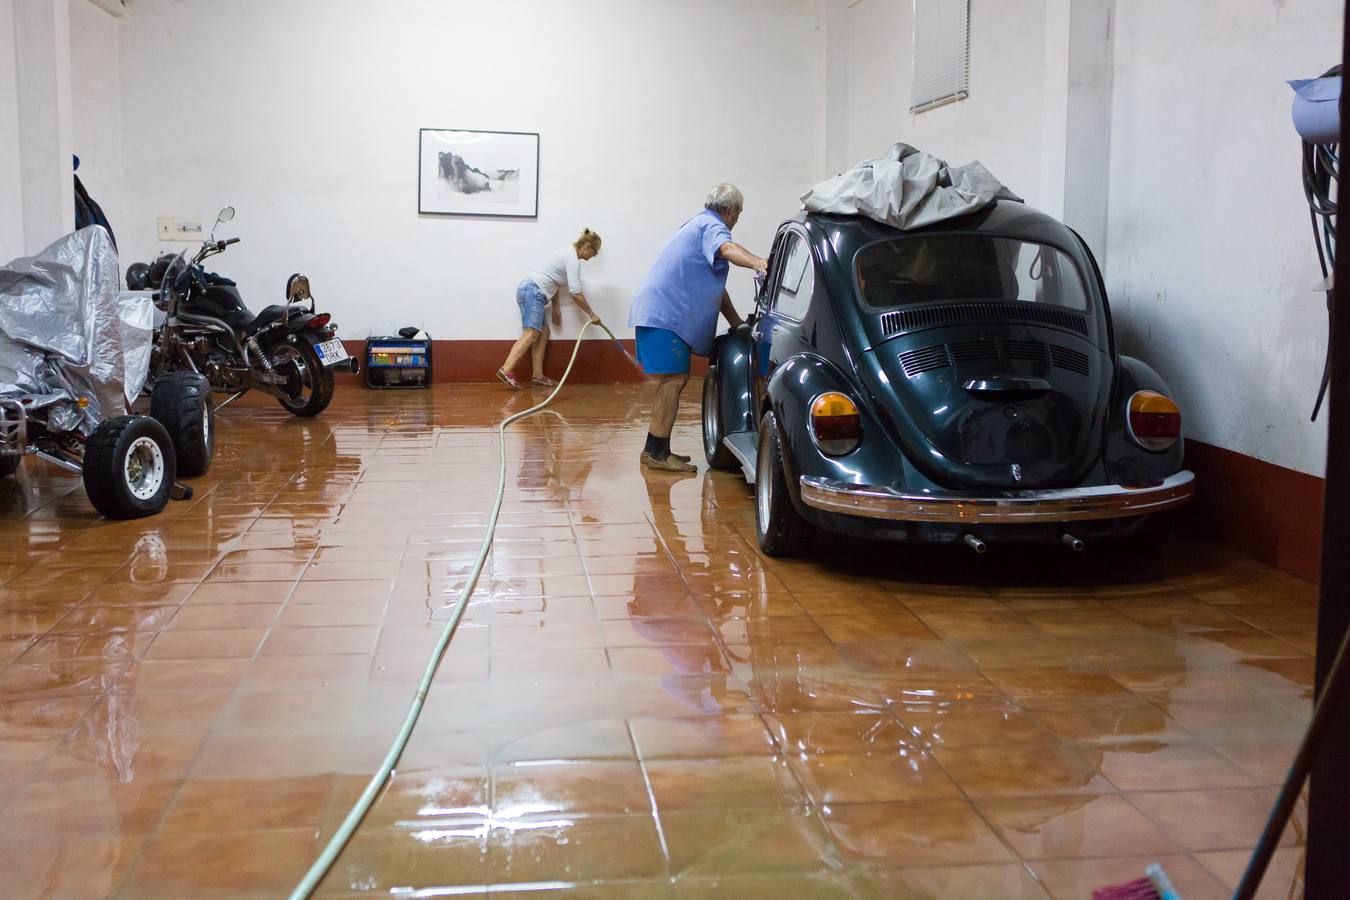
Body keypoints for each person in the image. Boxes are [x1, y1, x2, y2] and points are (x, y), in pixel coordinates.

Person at [628, 184, 767, 472]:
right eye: (739, 213)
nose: (737, 219)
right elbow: (727, 249)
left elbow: (715, 291)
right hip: (664, 315)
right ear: (731, 211)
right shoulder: (711, 227)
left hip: (658, 312)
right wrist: (756, 262)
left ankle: (655, 449)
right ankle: (656, 453)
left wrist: (737, 323)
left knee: (672, 380)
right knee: (674, 380)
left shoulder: (697, 225)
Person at [497, 229, 603, 389]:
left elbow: (553, 280)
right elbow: (575, 293)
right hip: (532, 290)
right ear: (587, 246)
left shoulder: (567, 254)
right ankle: (506, 369)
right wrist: (591, 314)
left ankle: (537, 376)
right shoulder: (572, 259)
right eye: (594, 252)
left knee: (543, 332)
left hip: (533, 291)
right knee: (532, 333)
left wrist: (556, 308)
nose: (593, 256)